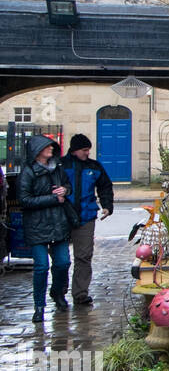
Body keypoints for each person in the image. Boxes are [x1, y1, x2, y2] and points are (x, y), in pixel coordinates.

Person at [18, 135, 75, 322]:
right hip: (37, 226)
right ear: (38, 151)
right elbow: (24, 200)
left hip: (58, 223)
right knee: (41, 267)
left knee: (63, 263)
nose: (51, 149)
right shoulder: (28, 172)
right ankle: (39, 306)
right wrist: (53, 198)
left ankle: (57, 292)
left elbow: (68, 186)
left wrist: (65, 190)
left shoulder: (57, 168)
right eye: (47, 147)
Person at [65, 133, 113, 307]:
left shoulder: (94, 166)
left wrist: (107, 205)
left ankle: (80, 293)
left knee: (84, 256)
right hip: (63, 217)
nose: (87, 153)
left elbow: (105, 186)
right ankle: (60, 292)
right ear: (75, 150)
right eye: (84, 150)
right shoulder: (62, 166)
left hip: (86, 216)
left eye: (88, 150)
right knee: (61, 259)